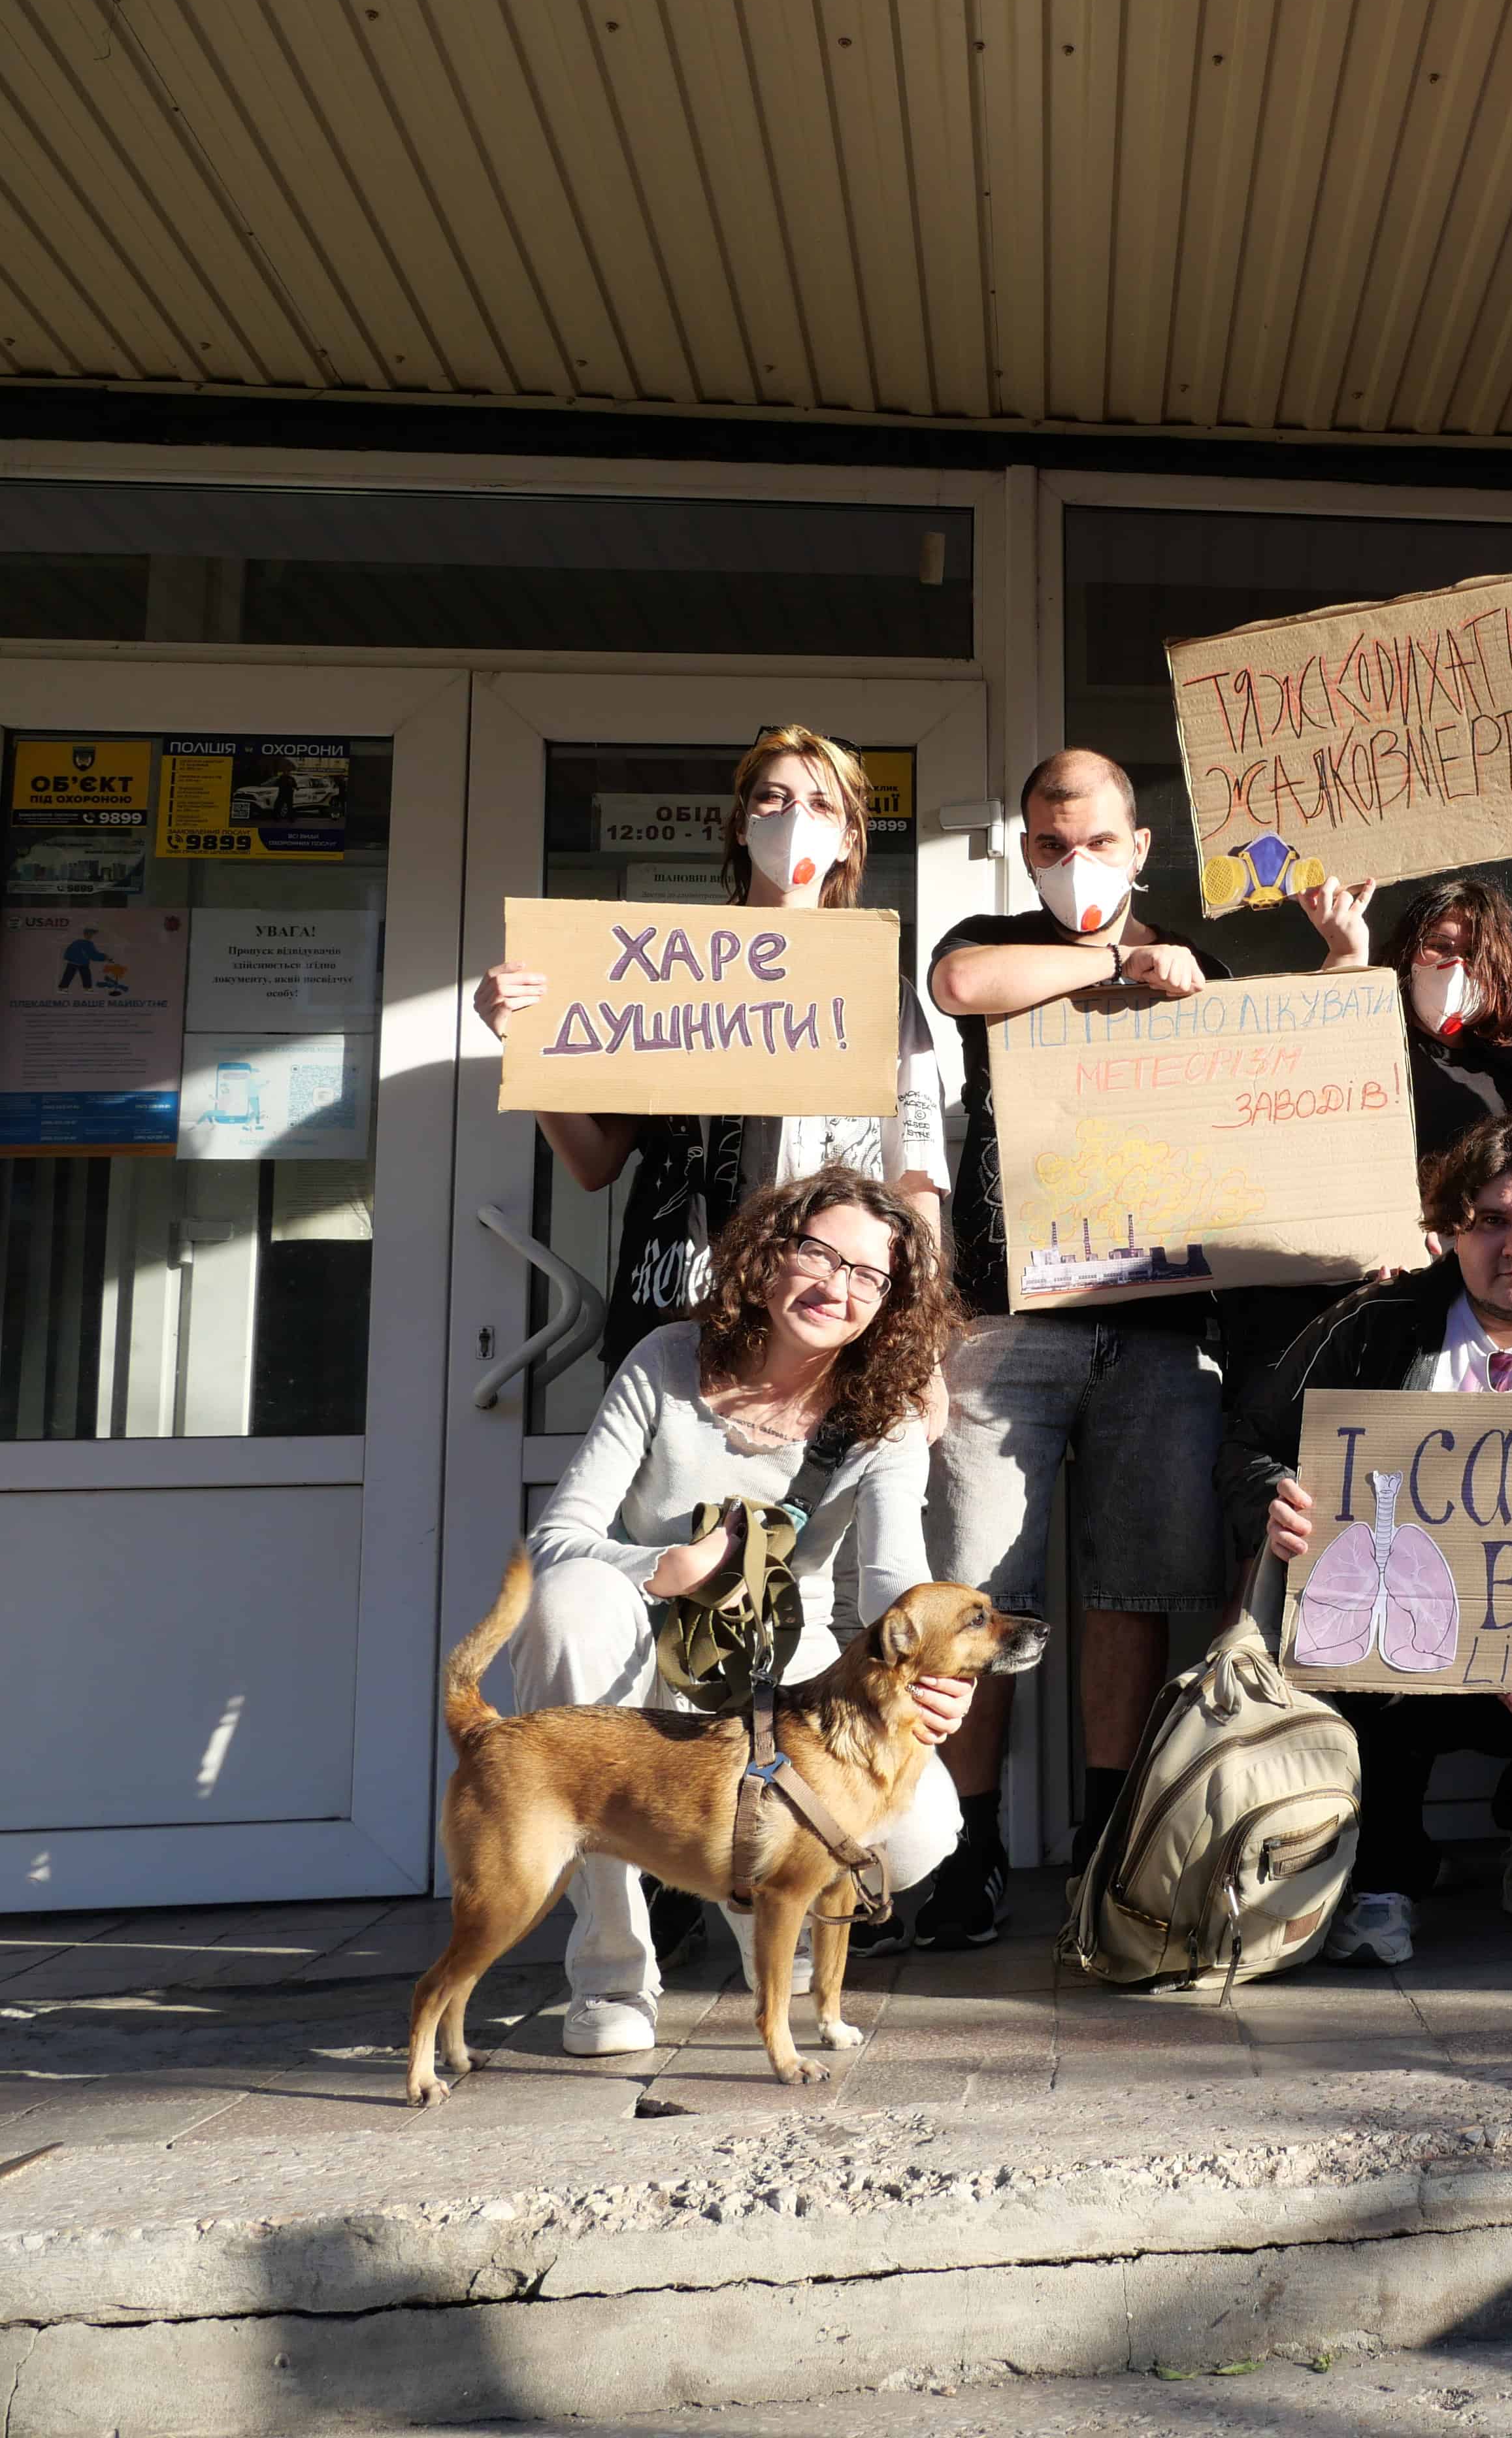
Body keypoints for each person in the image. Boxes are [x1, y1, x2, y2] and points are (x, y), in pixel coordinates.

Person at [512, 1166, 970, 2053]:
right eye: (818, 1254)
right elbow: (556, 1541)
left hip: (782, 1668)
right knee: (566, 1603)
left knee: (918, 1836)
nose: (836, 1287)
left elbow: (895, 1581)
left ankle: (768, 1906)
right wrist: (665, 1567)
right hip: (635, 1653)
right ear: (767, 1256)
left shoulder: (885, 1416)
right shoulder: (666, 1362)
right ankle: (611, 1974)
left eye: (867, 1276)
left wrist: (937, 1677)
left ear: (888, 1303)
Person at [1219, 1115, 1512, 1968]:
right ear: (1452, 1230)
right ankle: (1385, 1879)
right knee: (1363, 1661)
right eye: (1493, 1220)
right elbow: (1251, 1444)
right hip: (1400, 1632)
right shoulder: (1375, 1324)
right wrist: (1272, 1499)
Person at [920, 748, 1238, 1945]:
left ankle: (1108, 1840)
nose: (1075, 863)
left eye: (1098, 841)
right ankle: (965, 1849)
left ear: (1140, 845)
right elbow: (959, 982)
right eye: (1052, 846)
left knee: (1131, 1590)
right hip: (1005, 1319)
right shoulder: (996, 940)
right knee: (976, 1593)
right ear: (1025, 850)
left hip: (1159, 1324)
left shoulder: (1203, 965)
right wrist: (1115, 961)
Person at [475, 724, 951, 1373]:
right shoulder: (664, 971)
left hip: (825, 1322)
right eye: (773, 799)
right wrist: (523, 1044)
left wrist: (916, 1336)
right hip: (675, 1315)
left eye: (820, 805)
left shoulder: (879, 994)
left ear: (848, 839)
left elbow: (915, 1180)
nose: (794, 818)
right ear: (741, 825)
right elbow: (594, 1161)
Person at [1300, 875, 1512, 1160]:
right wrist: (1345, 955)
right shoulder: (1378, 1051)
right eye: (1439, 946)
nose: (1455, 966)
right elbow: (1324, 1070)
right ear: (1407, 953)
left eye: (1473, 954)